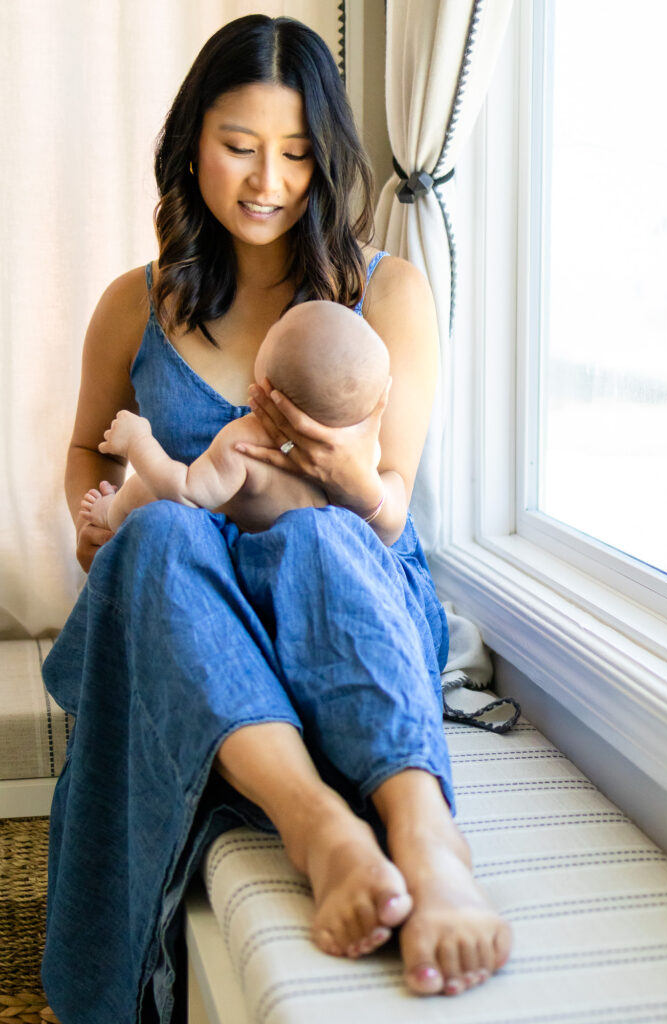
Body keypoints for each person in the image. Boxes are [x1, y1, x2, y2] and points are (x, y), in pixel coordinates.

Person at [41, 14, 511, 1024]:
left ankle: (426, 836)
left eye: (296, 153)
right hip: (187, 610)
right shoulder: (138, 303)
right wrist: (92, 521)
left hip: (338, 590)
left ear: (326, 158)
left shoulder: (384, 293)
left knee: (315, 528)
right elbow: (90, 445)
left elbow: (383, 513)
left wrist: (344, 471)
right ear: (189, 145)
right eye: (239, 147)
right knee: (162, 532)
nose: (267, 181)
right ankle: (320, 831)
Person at [79, 301, 389, 534]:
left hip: (239, 554)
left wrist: (138, 442)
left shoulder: (246, 439)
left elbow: (186, 493)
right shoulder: (360, 451)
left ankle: (110, 513)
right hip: (308, 555)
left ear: (267, 375)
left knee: (145, 492)